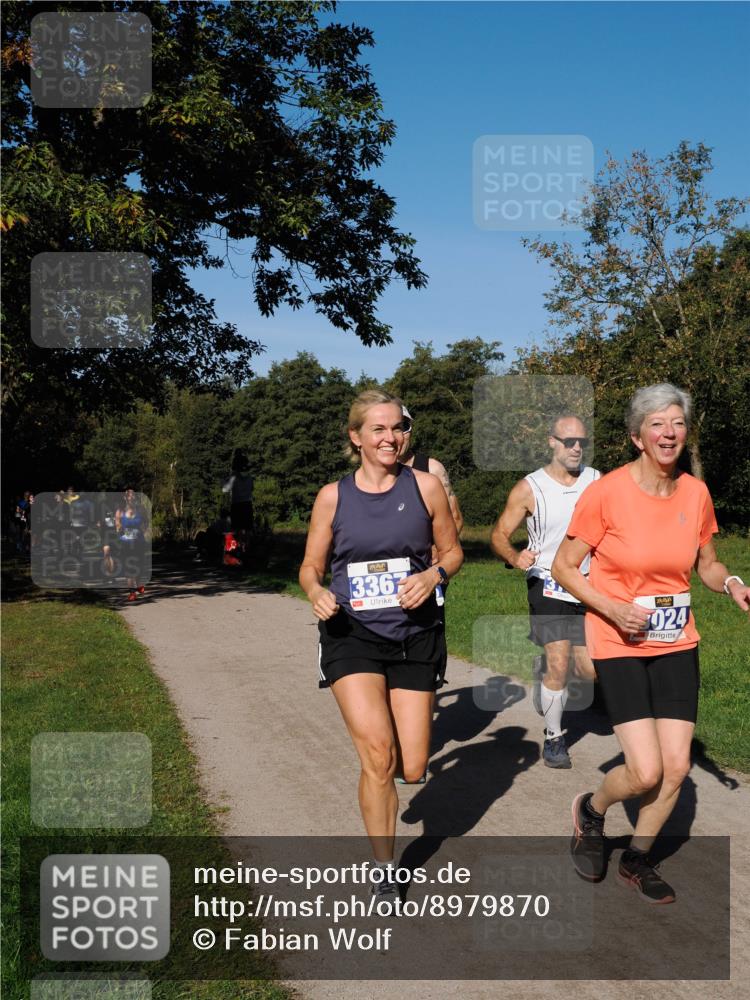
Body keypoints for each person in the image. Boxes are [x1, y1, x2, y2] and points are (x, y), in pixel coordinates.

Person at [553, 384, 749, 903]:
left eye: (677, 423)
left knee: (677, 767)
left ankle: (637, 859)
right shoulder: (607, 493)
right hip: (618, 638)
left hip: (675, 639)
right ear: (638, 436)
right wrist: (610, 607)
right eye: (658, 424)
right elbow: (564, 568)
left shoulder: (695, 493)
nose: (669, 433)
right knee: (644, 771)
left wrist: (732, 585)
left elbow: (707, 565)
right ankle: (591, 813)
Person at [299, 389, 463, 908]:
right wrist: (316, 591)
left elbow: (454, 550)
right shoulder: (333, 496)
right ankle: (385, 868)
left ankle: (388, 775)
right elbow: (309, 565)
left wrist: (434, 573)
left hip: (416, 632)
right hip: (353, 634)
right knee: (377, 755)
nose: (391, 437)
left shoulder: (427, 486)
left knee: (411, 766)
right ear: (357, 437)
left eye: (398, 428)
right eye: (379, 429)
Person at [490, 415, 600, 769]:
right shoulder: (529, 488)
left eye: (581, 441)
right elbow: (498, 535)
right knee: (559, 660)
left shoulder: (597, 481)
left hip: (587, 584)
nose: (576, 448)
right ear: (551, 442)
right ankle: (554, 737)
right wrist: (514, 555)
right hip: (548, 583)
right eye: (568, 441)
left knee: (589, 671)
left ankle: (548, 677)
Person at [398, 406, 464, 536]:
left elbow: (455, 518)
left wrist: (438, 552)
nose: (398, 435)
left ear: (411, 430)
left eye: (404, 427)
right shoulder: (366, 476)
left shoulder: (432, 468)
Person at [222, 451, 254, 560]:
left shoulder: (234, 477)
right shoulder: (250, 477)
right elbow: (251, 489)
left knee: (237, 530)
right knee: (247, 530)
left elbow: (225, 489)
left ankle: (239, 552)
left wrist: (223, 480)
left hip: (237, 504)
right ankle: (247, 551)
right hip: (248, 504)